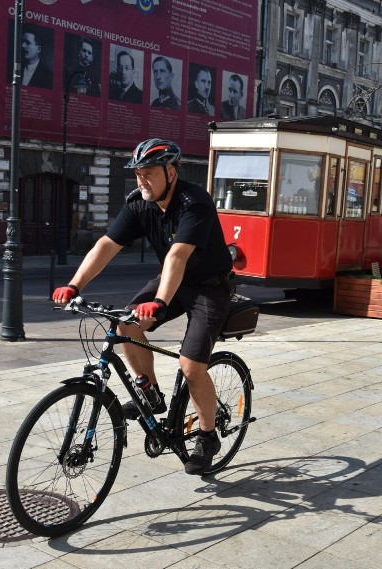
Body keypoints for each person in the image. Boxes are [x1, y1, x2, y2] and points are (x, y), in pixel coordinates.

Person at [51, 138, 232, 475]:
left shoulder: (195, 203)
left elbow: (178, 255)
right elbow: (107, 244)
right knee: (124, 325)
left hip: (209, 288)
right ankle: (150, 393)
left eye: (148, 173)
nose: (141, 181)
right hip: (171, 280)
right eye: (138, 174)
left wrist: (160, 303)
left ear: (172, 171)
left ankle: (208, 437)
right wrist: (74, 285)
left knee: (191, 366)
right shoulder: (139, 204)